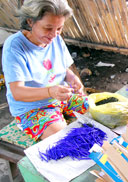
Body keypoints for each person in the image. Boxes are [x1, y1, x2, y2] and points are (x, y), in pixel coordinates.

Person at [2, 0, 89, 141]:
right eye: (48, 28)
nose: (54, 34)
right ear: (30, 21)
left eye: (59, 28)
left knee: (98, 111)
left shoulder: (54, 38)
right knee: (67, 139)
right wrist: (50, 91)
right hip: (32, 108)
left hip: (60, 98)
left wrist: (72, 78)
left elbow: (62, 68)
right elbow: (17, 92)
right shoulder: (15, 47)